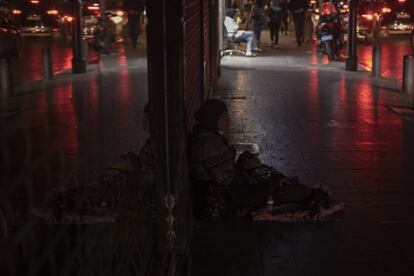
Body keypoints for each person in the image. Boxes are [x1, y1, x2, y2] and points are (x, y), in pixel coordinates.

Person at [188, 99, 333, 221]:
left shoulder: (208, 137)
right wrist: (248, 174)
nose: (228, 121)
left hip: (224, 188)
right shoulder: (207, 144)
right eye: (223, 118)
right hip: (221, 196)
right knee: (271, 187)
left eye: (227, 116)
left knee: (258, 170)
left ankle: (296, 189)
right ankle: (308, 194)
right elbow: (226, 180)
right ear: (211, 120)